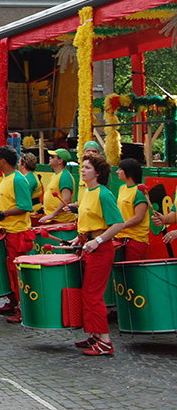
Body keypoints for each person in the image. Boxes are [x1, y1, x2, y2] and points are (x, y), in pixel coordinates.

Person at [73, 151, 126, 356]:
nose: (82, 171)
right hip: (90, 245)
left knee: (93, 295)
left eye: (87, 168)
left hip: (101, 249)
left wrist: (98, 240)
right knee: (88, 293)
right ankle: (96, 334)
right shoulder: (87, 191)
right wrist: (80, 238)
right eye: (82, 167)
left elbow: (118, 223)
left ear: (97, 172)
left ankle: (105, 340)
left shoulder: (104, 193)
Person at [0, 145, 34, 324]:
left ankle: (23, 308)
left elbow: (25, 206)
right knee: (7, 270)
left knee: (17, 272)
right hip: (6, 232)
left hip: (16, 233)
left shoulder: (18, 179)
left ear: (3, 161)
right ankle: (13, 301)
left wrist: (4, 214)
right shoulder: (6, 179)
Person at [115, 158, 150, 261]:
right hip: (120, 237)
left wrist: (120, 226)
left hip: (135, 239)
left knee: (131, 271)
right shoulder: (122, 188)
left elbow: (139, 217)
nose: (117, 172)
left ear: (129, 172)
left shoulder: (139, 192)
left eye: (120, 169)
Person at [38, 149, 77, 224]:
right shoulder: (55, 175)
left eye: (52, 157)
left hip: (61, 221)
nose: (49, 158)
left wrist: (52, 215)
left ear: (60, 161)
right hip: (53, 219)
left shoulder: (65, 176)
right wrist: (43, 209)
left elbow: (66, 200)